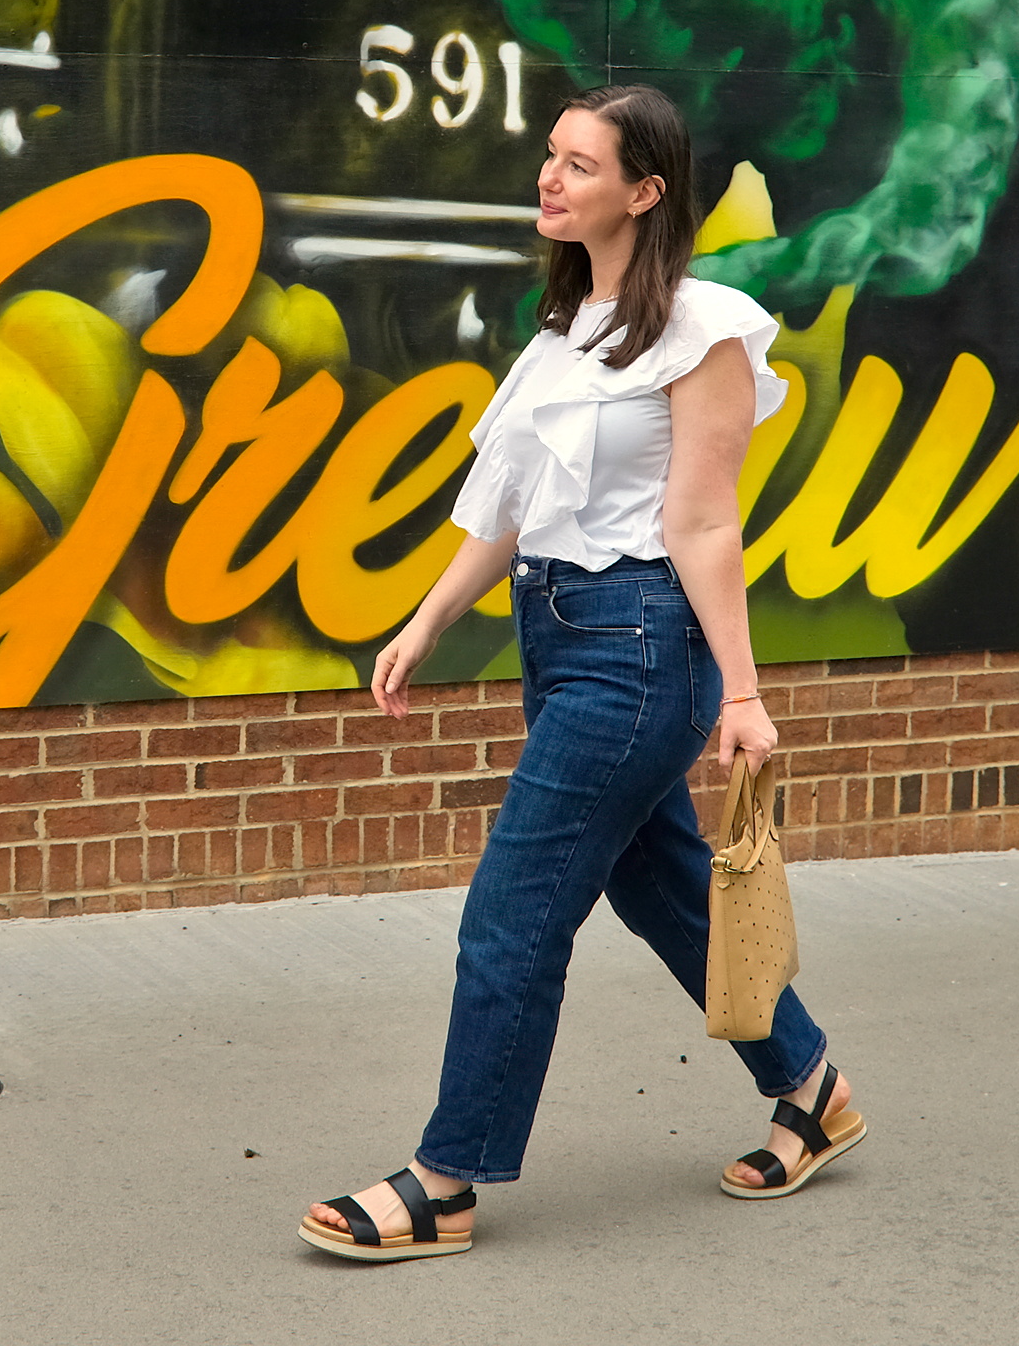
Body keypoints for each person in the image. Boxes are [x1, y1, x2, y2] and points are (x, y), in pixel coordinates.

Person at [298, 84, 865, 1263]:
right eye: (550, 158)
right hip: (558, 637)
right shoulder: (567, 330)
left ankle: (447, 1180)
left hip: (641, 645)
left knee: (514, 911)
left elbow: (706, 522)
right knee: (659, 885)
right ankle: (813, 1084)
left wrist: (746, 694)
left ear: (646, 191)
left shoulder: (705, 327)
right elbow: (505, 510)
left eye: (579, 164)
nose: (549, 178)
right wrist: (425, 620)